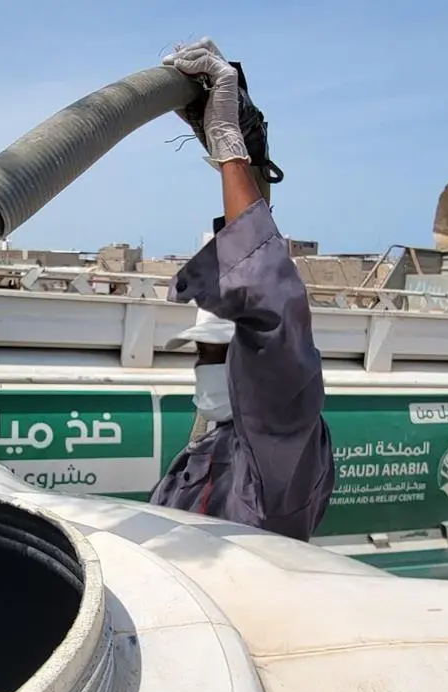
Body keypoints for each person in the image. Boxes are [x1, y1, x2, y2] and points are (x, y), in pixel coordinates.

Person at [147, 38, 336, 542]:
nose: (201, 368)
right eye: (201, 354)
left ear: (251, 358)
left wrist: (229, 143)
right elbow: (251, 252)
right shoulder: (211, 450)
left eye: (213, 353)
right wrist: (229, 151)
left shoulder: (281, 448)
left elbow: (267, 296)